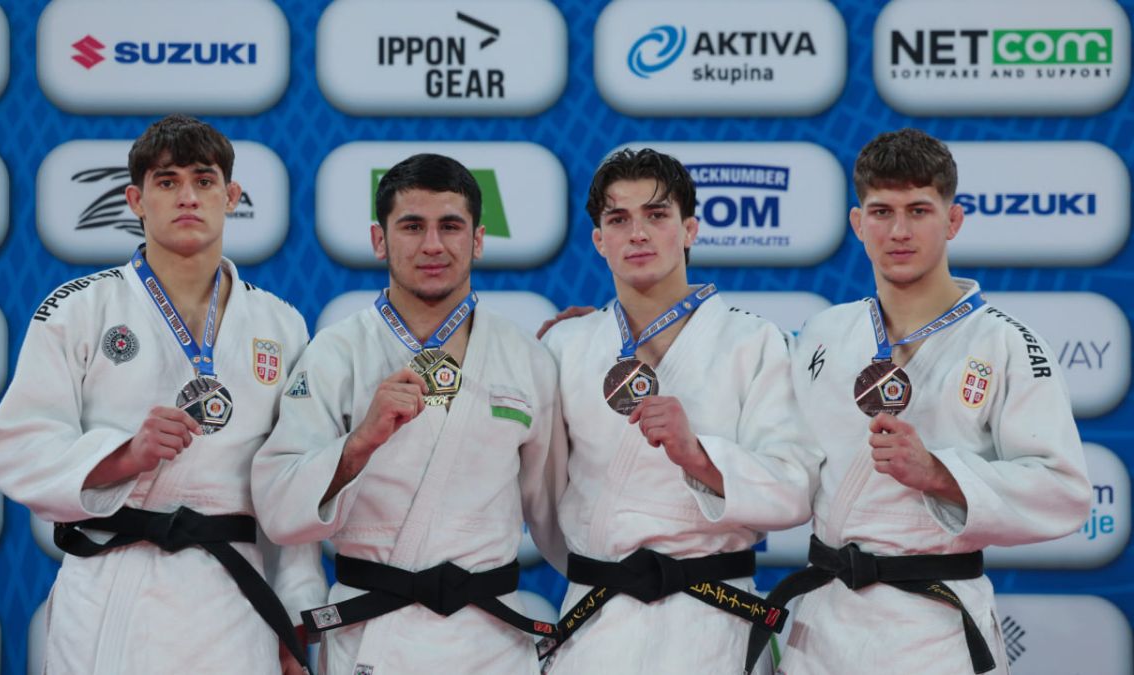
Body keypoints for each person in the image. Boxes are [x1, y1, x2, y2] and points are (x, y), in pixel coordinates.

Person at [749, 128, 1093, 675]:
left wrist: (939, 474)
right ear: (858, 223)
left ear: (952, 220)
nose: (899, 231)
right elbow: (772, 445)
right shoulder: (823, 333)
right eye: (881, 212)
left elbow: (1065, 491)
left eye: (919, 210)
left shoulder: (1006, 344)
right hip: (824, 627)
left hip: (933, 631)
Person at [0, 114, 320, 674]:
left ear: (231, 196)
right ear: (136, 200)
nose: (187, 196)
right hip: (113, 585)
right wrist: (125, 456)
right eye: (167, 182)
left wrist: (293, 616)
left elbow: (291, 481)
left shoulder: (281, 324)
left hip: (235, 594)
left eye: (204, 181)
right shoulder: (78, 309)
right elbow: (21, 448)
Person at [251, 153, 568, 674]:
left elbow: (559, 519)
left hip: (490, 644)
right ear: (380, 240)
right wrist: (359, 443)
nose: (433, 245)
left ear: (478, 239)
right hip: (372, 637)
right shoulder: (337, 352)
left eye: (451, 226)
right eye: (413, 226)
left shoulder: (526, 358)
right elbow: (281, 509)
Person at [537, 148, 821, 674]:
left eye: (656, 215)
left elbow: (795, 489)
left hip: (710, 628)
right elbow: (541, 495)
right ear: (599, 241)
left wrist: (698, 457)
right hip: (597, 628)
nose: (637, 234)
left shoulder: (754, 341)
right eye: (619, 220)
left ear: (689, 229)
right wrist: (598, 562)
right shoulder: (565, 346)